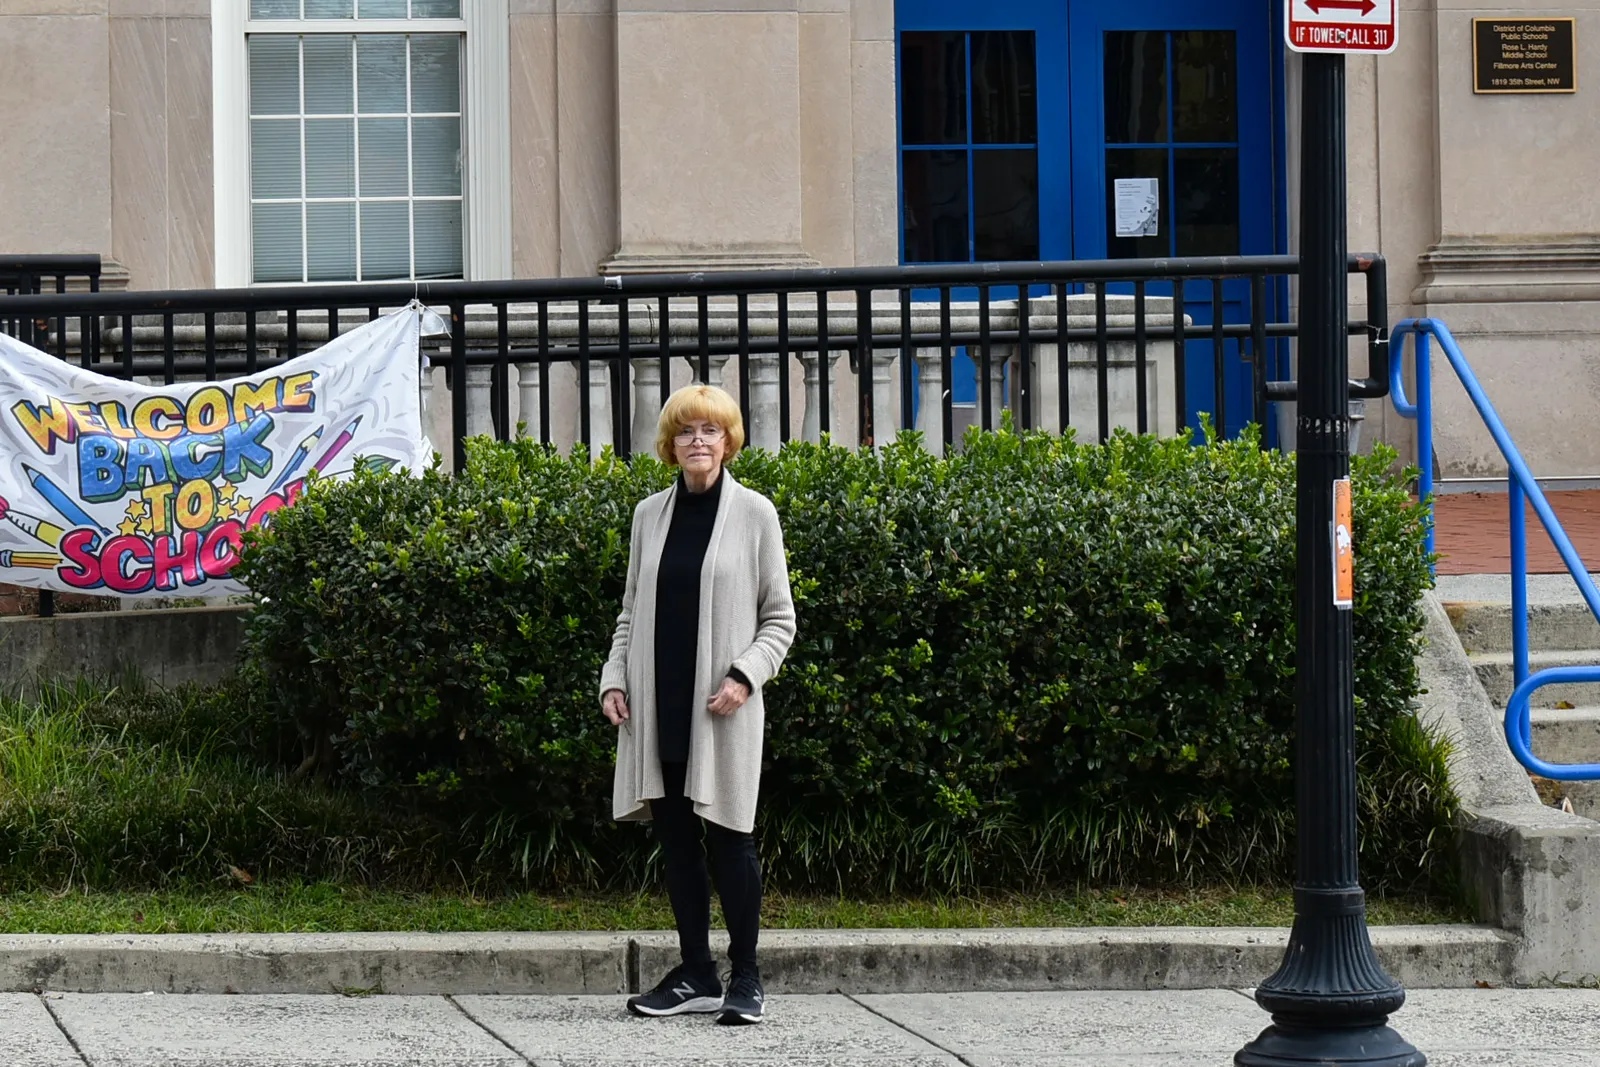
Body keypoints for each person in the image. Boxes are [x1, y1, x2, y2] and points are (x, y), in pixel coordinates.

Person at [599, 383, 797, 1025]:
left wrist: (745, 675)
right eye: (686, 431)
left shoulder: (756, 515)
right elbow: (630, 611)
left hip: (721, 710)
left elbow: (780, 621)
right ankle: (695, 973)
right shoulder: (647, 516)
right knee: (678, 842)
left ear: (729, 440)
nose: (698, 442)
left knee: (731, 841)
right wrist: (614, 677)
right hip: (659, 706)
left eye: (711, 431)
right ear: (670, 443)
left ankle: (747, 976)